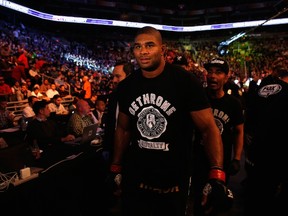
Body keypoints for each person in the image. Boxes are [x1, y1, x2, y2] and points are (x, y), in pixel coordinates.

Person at [109, 26, 233, 216]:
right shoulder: (127, 86)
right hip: (137, 175)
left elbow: (208, 129)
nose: (143, 51)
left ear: (163, 50)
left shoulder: (185, 81)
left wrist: (217, 172)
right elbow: (123, 129)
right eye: (138, 46)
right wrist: (116, 166)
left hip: (173, 178)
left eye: (149, 45)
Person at [191, 58, 244, 216]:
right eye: (210, 72)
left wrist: (236, 158)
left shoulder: (233, 103)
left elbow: (239, 131)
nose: (213, 76)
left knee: (217, 202)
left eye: (218, 72)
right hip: (199, 159)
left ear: (226, 77)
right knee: (199, 203)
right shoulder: (198, 99)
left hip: (222, 162)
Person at [244, 57, 288, 216]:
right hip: (275, 159)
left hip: (254, 155)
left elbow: (249, 113)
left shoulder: (260, 88)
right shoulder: (286, 93)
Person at [26, 100, 75, 167]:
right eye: (47, 108)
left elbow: (59, 133)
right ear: (41, 111)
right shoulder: (33, 125)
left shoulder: (50, 122)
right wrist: (62, 139)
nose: (49, 110)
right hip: (46, 153)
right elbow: (44, 140)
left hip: (56, 148)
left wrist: (68, 136)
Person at [102, 61, 134, 161]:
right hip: (113, 150)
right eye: (113, 77)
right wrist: (106, 147)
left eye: (118, 76)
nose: (114, 80)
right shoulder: (113, 97)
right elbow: (110, 124)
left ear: (129, 76)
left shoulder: (138, 97)